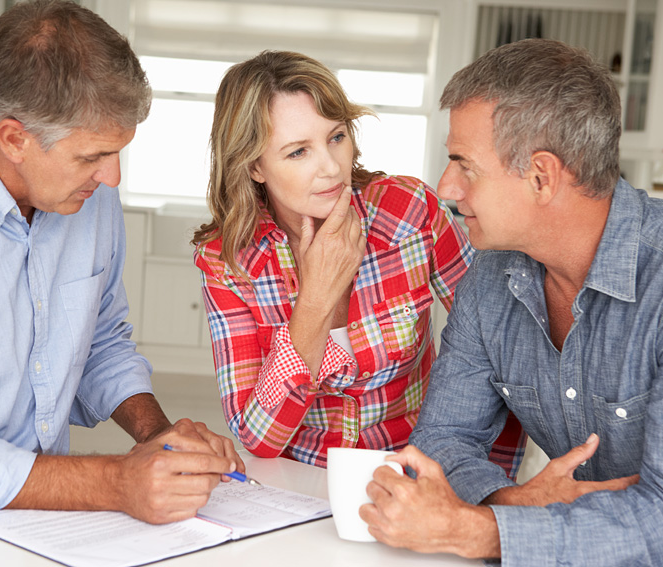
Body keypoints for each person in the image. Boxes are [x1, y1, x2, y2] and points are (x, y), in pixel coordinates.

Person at [0, 0, 242, 526]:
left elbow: (100, 340)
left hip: (35, 517)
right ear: (14, 139)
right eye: (92, 156)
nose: (112, 178)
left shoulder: (86, 196)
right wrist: (118, 481)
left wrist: (158, 439)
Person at [361, 38, 663, 566]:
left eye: (464, 165)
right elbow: (441, 444)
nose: (446, 187)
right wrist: (511, 504)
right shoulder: (491, 278)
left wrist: (482, 532)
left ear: (541, 176)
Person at [191, 50, 525, 470]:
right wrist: (315, 299)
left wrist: (490, 489)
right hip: (301, 483)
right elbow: (258, 437)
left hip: (416, 474)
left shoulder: (409, 213)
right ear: (255, 165)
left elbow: (505, 359)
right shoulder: (226, 263)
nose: (331, 168)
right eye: (298, 152)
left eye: (336, 137)